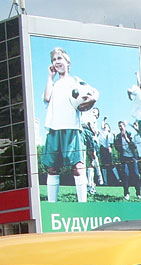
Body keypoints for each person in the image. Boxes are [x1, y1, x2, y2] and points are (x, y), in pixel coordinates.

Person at [41, 47, 89, 203]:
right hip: (54, 129)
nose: (56, 62)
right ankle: (52, 204)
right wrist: (50, 77)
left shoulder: (76, 81)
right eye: (54, 60)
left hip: (72, 128)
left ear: (68, 62)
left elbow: (90, 95)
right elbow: (47, 98)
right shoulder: (54, 84)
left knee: (78, 167)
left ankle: (83, 204)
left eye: (59, 58)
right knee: (52, 168)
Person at [113, 120, 141, 200]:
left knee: (136, 174)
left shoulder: (130, 134)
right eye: (119, 126)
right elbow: (116, 147)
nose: (120, 127)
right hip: (124, 157)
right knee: (125, 175)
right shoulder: (118, 136)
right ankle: (126, 193)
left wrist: (126, 139)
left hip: (132, 157)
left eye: (121, 126)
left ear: (124, 126)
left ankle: (138, 193)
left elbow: (134, 146)